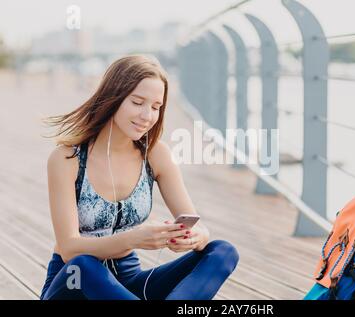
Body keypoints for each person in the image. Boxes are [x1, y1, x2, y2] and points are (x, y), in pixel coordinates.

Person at [40, 55, 239, 300]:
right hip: (75, 284)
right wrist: (132, 239)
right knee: (83, 264)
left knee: (222, 252)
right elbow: (69, 248)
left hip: (129, 285)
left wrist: (196, 237)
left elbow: (195, 224)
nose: (147, 115)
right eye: (137, 102)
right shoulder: (66, 159)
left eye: (156, 107)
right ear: (112, 98)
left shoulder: (156, 155)